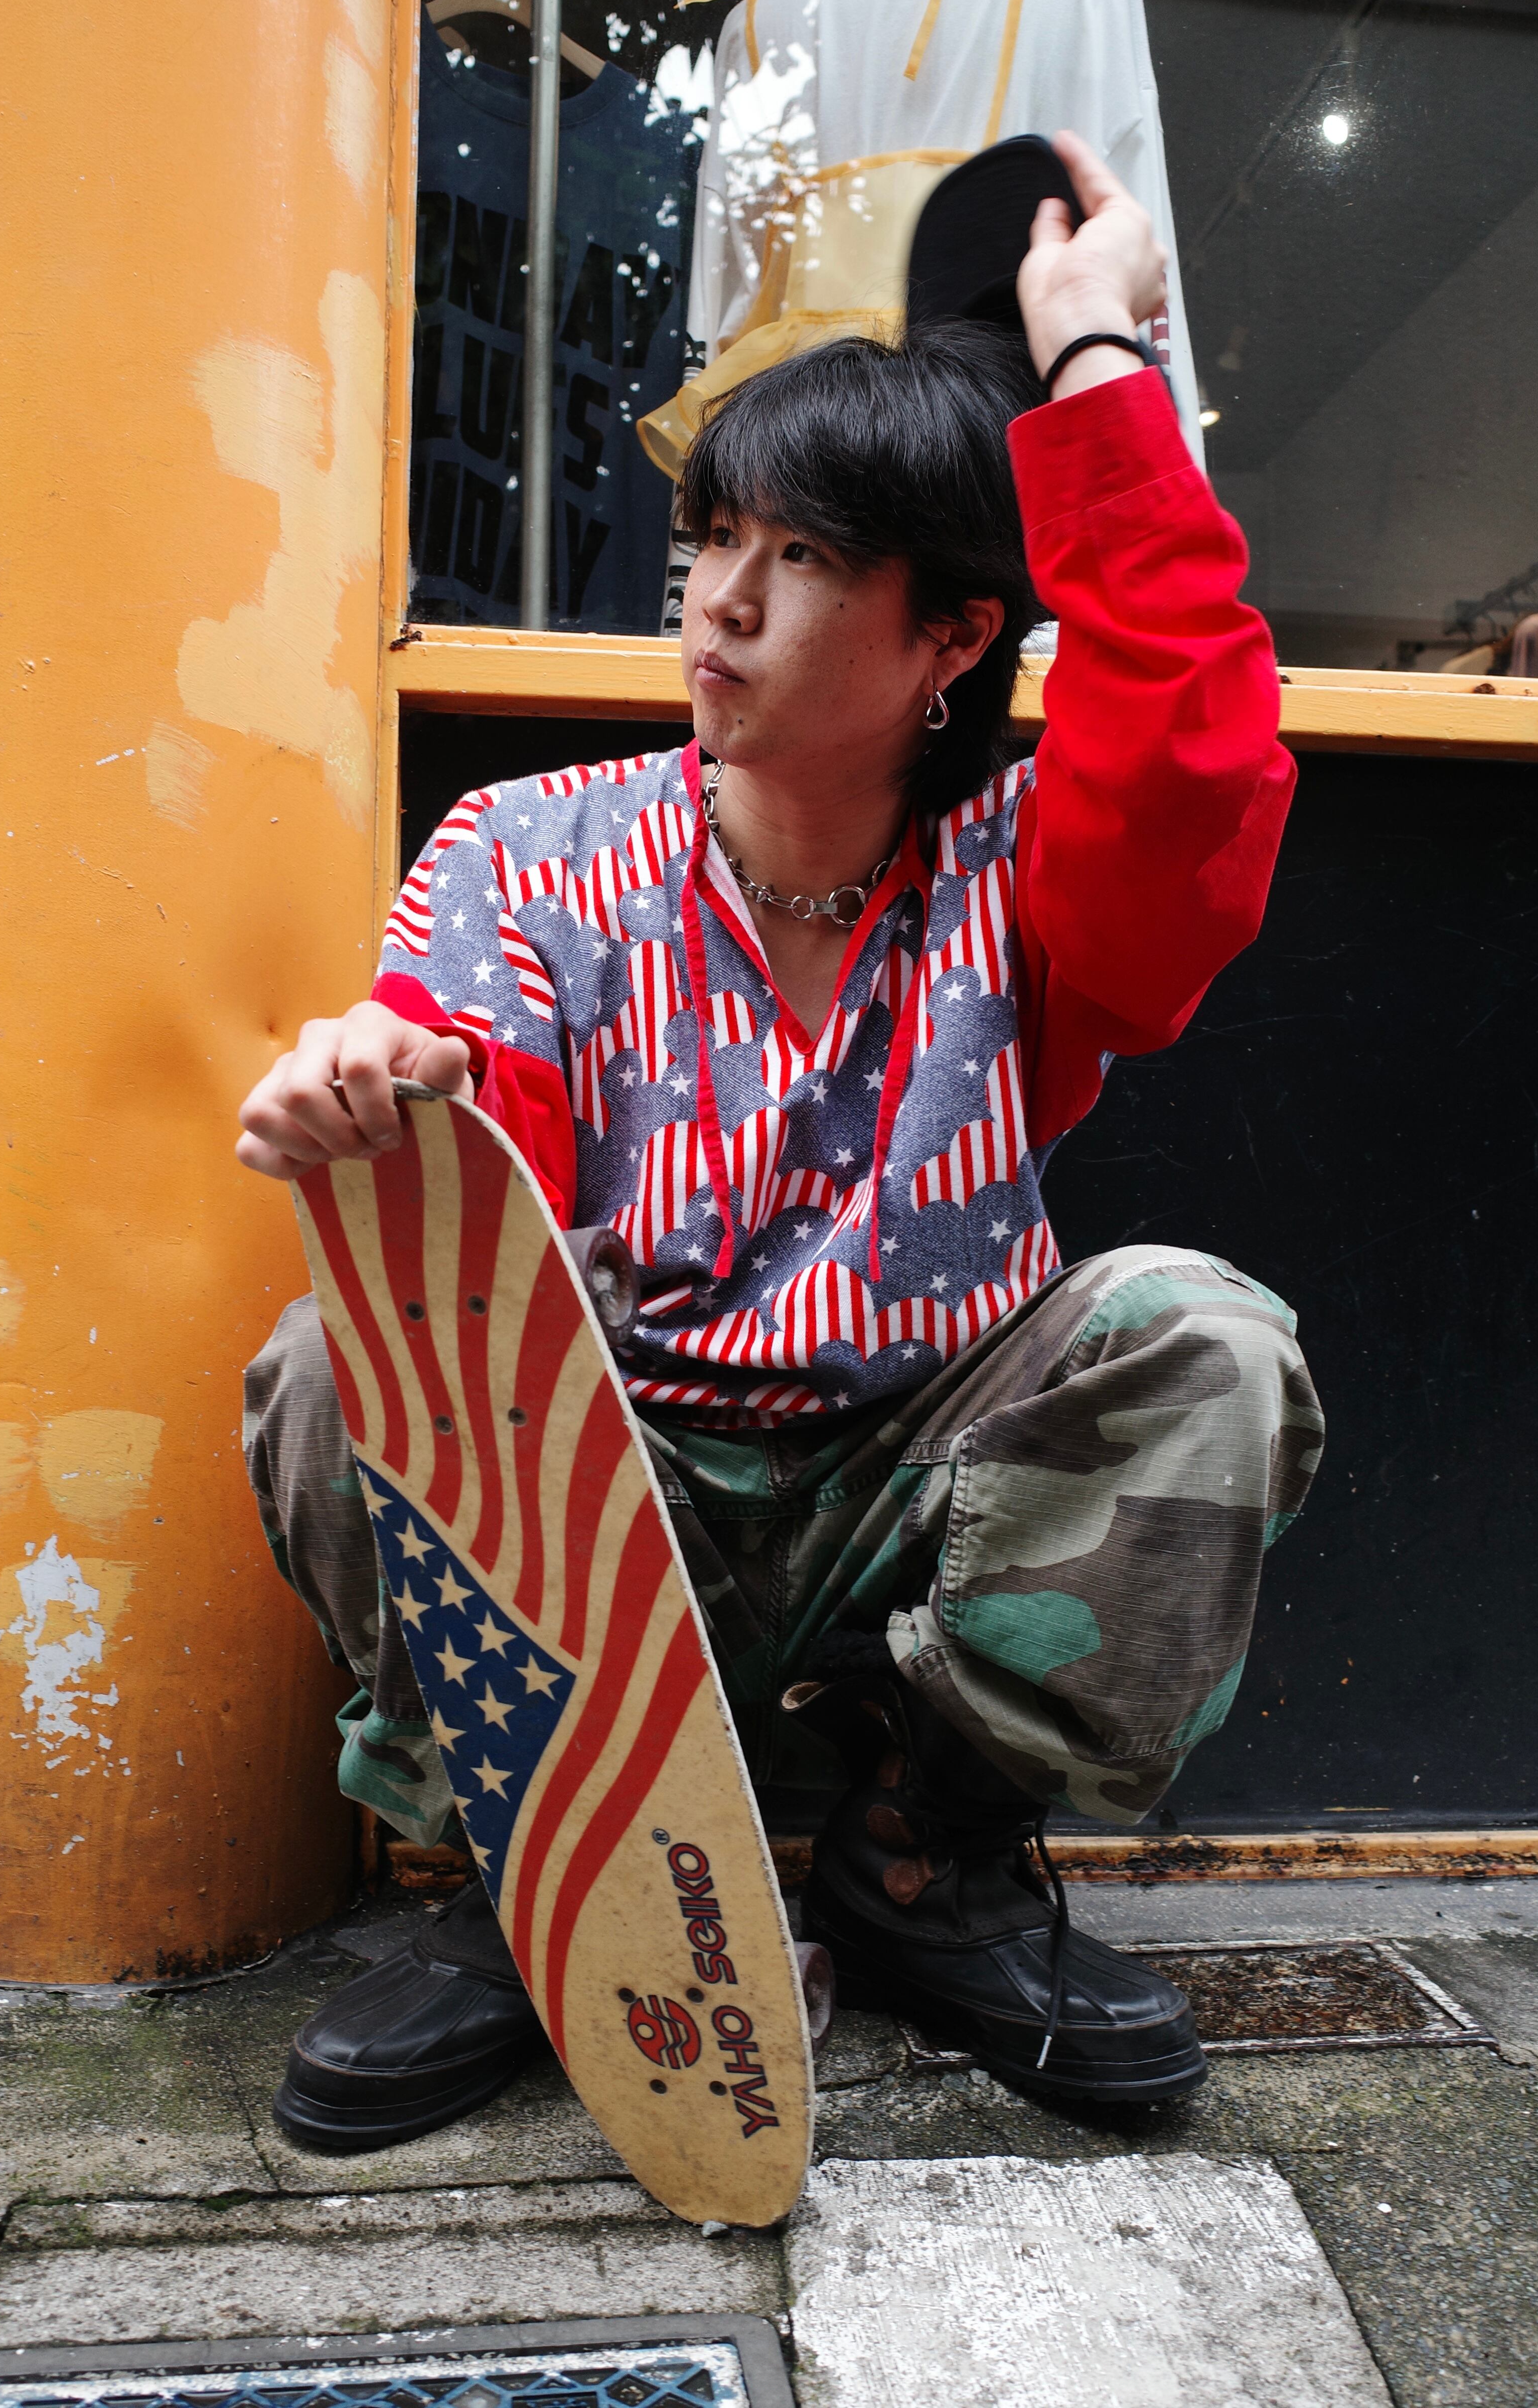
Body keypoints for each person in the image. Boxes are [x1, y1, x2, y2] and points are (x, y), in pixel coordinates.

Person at [236, 131, 1324, 2152]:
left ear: (948, 642)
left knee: (1204, 1334)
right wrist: (378, 1099)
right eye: (713, 536)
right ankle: (539, 1873)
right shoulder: (530, 848)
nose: (721, 601)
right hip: (616, 1502)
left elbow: (1192, 743)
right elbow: (477, 1164)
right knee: (336, 1360)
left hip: (918, 1495)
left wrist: (1090, 357)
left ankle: (920, 1863)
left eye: (805, 558)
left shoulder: (1026, 877)